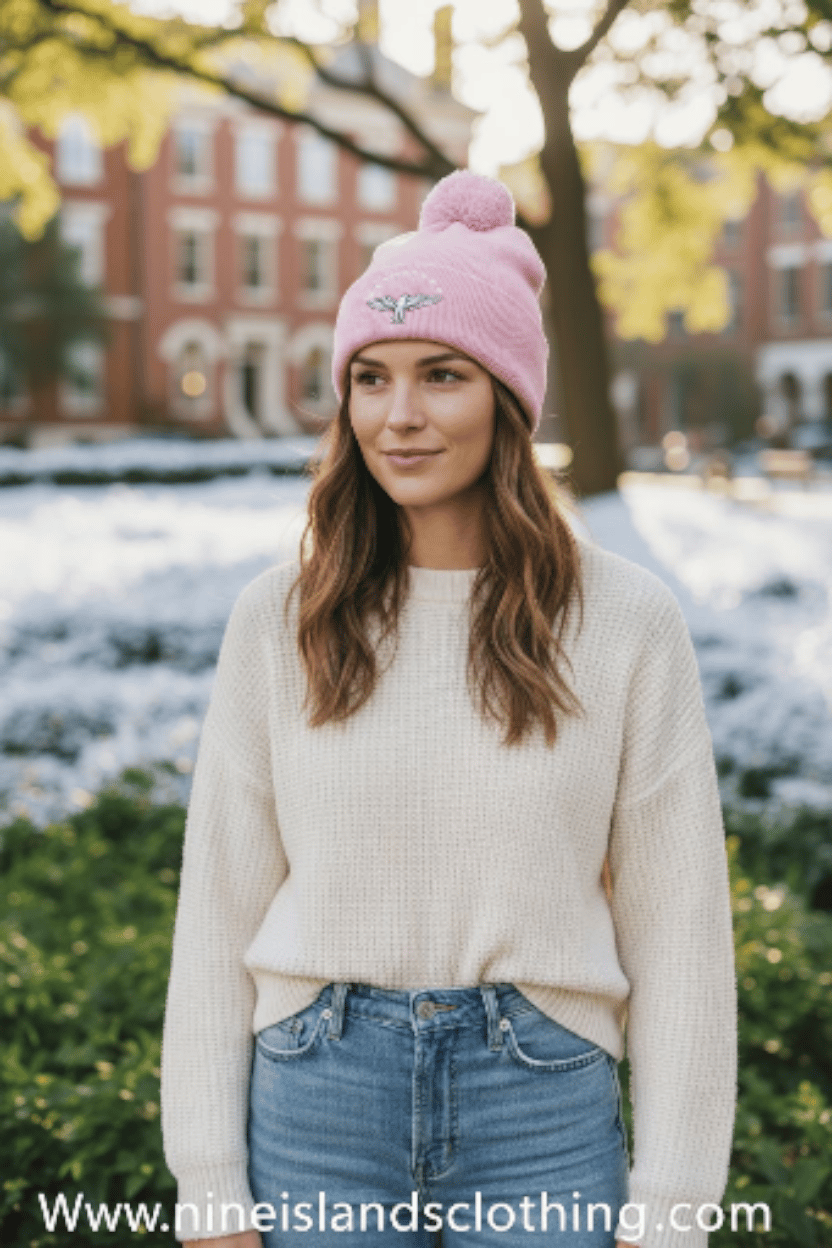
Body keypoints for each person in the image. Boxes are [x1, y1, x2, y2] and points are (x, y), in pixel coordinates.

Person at [160, 170, 737, 1248]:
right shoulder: (280, 620)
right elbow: (219, 907)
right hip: (314, 1099)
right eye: (369, 379)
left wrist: (672, 1209)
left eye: (441, 375)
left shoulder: (624, 622)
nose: (400, 415)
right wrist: (208, 1185)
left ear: (510, 399)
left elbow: (681, 930)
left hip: (542, 1103)